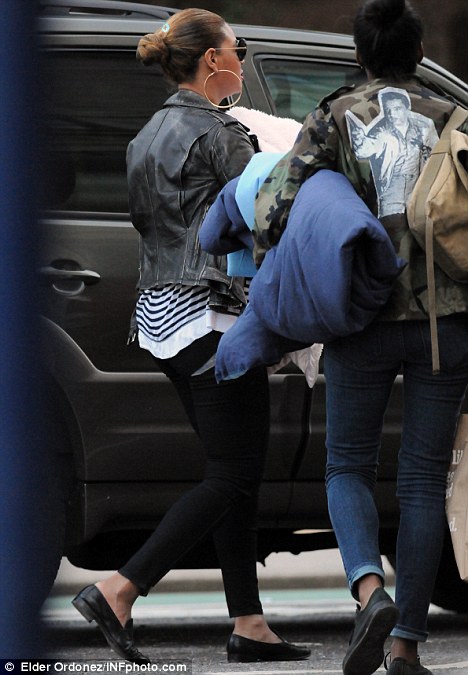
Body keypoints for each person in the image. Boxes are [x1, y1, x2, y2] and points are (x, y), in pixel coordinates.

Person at [71, 8, 310, 666]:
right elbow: (266, 218)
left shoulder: (143, 136)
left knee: (231, 469)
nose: (241, 59)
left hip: (159, 320)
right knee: (235, 472)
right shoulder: (221, 133)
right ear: (212, 61)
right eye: (237, 49)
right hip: (214, 315)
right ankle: (119, 589)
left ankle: (248, 623)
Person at [253, 1, 468, 674]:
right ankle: (405, 645)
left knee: (347, 464)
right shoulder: (455, 116)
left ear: (359, 53)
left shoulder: (332, 117)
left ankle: (369, 591)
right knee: (424, 481)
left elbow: (273, 209)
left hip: (360, 318)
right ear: (418, 50)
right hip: (445, 323)